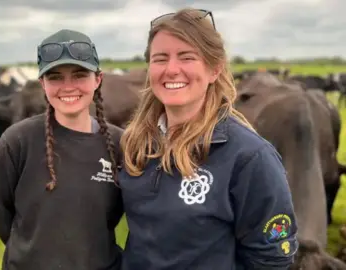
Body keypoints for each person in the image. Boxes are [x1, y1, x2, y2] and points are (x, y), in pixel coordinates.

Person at [118, 8, 299, 270]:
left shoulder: (250, 157)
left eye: (187, 57)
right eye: (160, 59)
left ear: (215, 69)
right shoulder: (137, 145)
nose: (172, 69)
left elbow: (271, 259)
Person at [0, 29, 124, 270]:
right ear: (42, 83)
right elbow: (0, 212)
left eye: (80, 75)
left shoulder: (119, 144)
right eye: (55, 77)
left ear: (98, 79)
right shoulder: (17, 141)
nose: (68, 87)